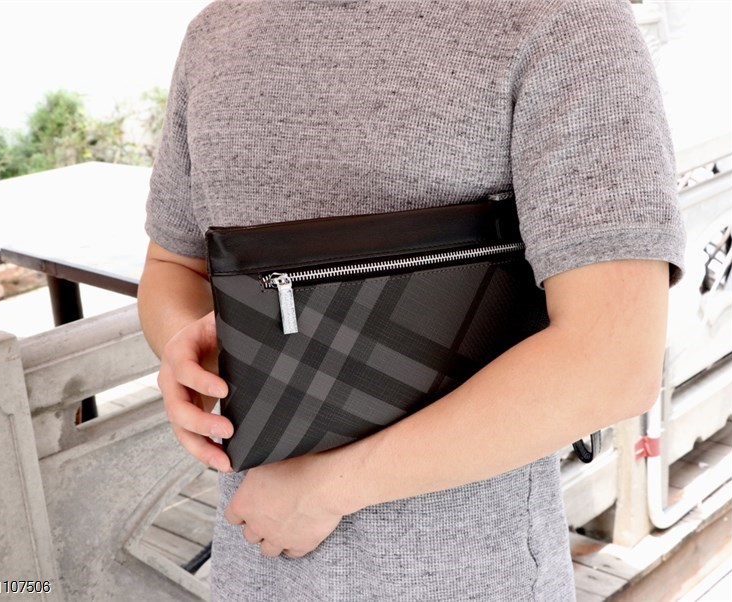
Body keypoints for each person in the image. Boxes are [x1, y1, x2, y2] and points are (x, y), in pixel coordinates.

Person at [137, 0, 685, 600]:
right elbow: (173, 265)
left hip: (471, 577)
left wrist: (326, 488)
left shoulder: (564, 21)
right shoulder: (216, 33)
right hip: (251, 562)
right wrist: (185, 346)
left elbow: (611, 359)